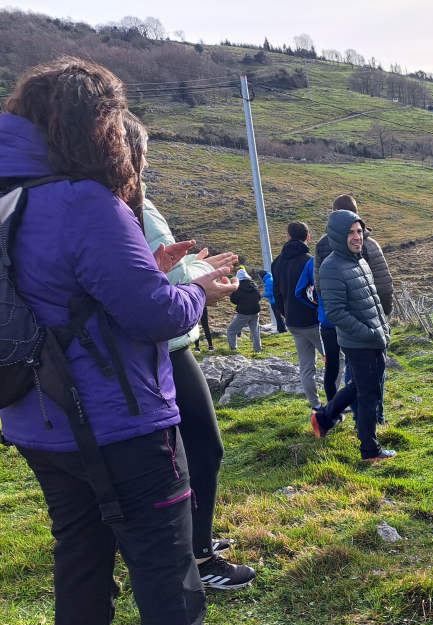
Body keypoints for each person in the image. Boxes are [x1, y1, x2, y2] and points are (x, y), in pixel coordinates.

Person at [0, 57, 275, 625]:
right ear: (95, 128)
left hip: (33, 417)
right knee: (160, 548)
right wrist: (198, 291)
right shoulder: (82, 202)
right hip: (116, 415)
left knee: (80, 539)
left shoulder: (12, 198)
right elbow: (152, 315)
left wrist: (143, 266)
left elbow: (53, 292)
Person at [126, 114, 256, 590]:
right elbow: (163, 274)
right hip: (165, 344)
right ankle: (198, 558)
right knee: (201, 446)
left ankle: (193, 543)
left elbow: (163, 265)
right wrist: (204, 277)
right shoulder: (132, 204)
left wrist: (198, 267)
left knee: (182, 451)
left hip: (148, 344)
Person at [310, 210, 392, 461]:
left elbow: (372, 301)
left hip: (373, 338)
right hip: (361, 343)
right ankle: (370, 450)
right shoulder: (332, 267)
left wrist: (383, 327)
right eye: (350, 233)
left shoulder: (360, 261)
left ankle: (323, 418)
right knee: (369, 395)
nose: (357, 237)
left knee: (359, 387)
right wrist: (369, 333)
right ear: (337, 235)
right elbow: (336, 312)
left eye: (359, 231)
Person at [270, 221, 321, 410]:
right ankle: (334, 404)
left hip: (293, 321)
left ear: (288, 236)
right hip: (314, 321)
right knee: (337, 359)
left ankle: (316, 405)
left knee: (306, 367)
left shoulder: (277, 262)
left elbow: (276, 294)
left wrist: (285, 314)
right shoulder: (310, 261)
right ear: (308, 237)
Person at [226, 266, 262, 351]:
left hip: (244, 313)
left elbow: (234, 300)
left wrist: (232, 296)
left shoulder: (237, 287)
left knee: (231, 330)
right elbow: (259, 297)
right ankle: (258, 350)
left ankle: (233, 349)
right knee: (255, 331)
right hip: (255, 312)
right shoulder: (254, 285)